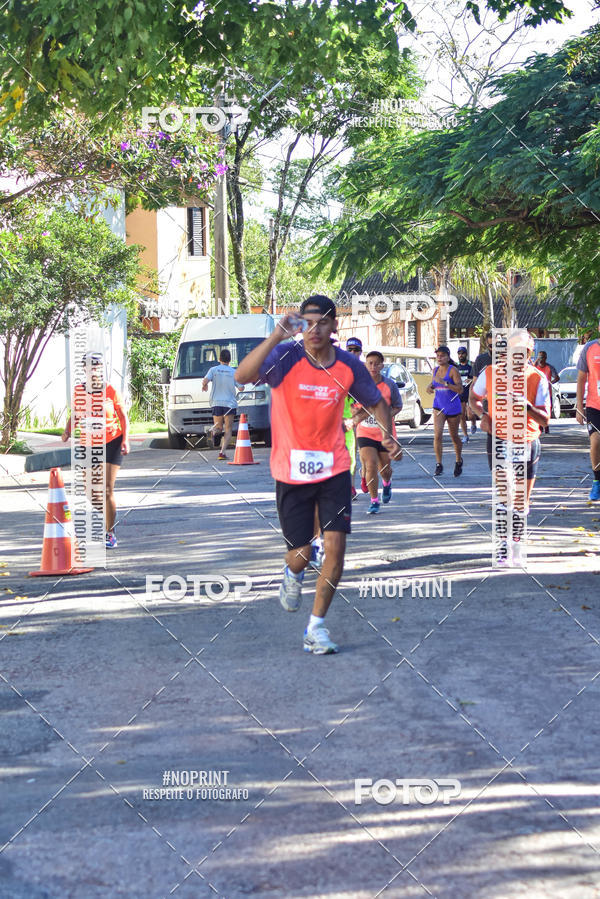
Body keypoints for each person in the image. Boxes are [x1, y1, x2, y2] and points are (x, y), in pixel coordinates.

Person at [235, 295, 402, 655]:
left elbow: (376, 402)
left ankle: (316, 627)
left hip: (334, 468)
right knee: (301, 555)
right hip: (290, 471)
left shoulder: (348, 366)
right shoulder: (285, 357)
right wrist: (276, 336)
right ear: (301, 325)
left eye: (323, 322)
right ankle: (292, 573)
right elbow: (242, 376)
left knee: (336, 548)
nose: (315, 329)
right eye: (308, 322)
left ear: (334, 327)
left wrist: (388, 436)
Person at [470, 334, 550, 564]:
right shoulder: (490, 372)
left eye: (523, 351)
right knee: (505, 493)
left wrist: (527, 408)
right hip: (499, 439)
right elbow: (474, 398)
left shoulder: (537, 378)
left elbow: (545, 420)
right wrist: (482, 415)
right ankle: (504, 545)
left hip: (527, 440)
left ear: (529, 354)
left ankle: (516, 541)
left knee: (521, 500)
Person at [61, 353, 130, 548]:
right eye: (89, 367)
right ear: (84, 369)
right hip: (88, 443)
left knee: (107, 489)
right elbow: (75, 413)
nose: (93, 371)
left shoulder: (110, 390)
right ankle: (109, 516)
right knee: (91, 492)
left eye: (97, 367)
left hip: (111, 441)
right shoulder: (78, 391)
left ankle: (109, 532)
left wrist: (126, 439)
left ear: (101, 369)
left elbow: (123, 417)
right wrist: (67, 430)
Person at [355, 351, 402, 514]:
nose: (373, 366)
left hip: (385, 433)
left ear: (382, 365)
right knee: (370, 465)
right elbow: (354, 406)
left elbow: (398, 406)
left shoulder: (389, 385)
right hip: (365, 432)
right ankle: (374, 501)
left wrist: (385, 415)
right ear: (365, 365)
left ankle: (387, 483)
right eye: (370, 363)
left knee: (385, 469)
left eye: (376, 363)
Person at [427, 346, 464, 477]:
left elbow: (460, 389)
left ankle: (458, 460)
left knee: (454, 436)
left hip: (453, 406)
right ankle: (438, 464)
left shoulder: (453, 370)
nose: (439, 358)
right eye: (438, 356)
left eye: (442, 355)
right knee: (437, 435)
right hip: (438, 406)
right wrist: (430, 386)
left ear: (448, 357)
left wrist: (445, 383)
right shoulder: (435, 370)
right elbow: (434, 383)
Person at [202, 349, 241, 461]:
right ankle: (222, 452)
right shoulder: (234, 372)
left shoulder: (213, 370)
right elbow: (241, 387)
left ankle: (212, 432)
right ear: (230, 360)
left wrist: (205, 385)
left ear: (219, 359)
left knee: (218, 427)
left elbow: (205, 380)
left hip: (216, 402)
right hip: (230, 404)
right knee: (228, 429)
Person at [576, 323, 600, 500]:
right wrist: (579, 405)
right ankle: (597, 481)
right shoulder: (590, 348)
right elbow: (581, 379)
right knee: (596, 441)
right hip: (594, 405)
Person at [345, 337, 364, 498]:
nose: (352, 353)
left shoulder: (364, 370)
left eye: (356, 350)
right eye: (349, 350)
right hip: (344, 417)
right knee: (349, 453)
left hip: (362, 417)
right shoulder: (339, 368)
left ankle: (365, 474)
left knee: (361, 454)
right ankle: (349, 487)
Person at [534, 350, 559, 434]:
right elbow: (529, 369)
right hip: (537, 393)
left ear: (546, 358)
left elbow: (557, 377)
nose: (541, 359)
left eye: (542, 357)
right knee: (538, 410)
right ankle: (540, 427)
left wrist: (551, 382)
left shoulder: (549, 367)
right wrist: (536, 361)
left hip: (547, 393)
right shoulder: (535, 367)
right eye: (539, 356)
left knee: (546, 410)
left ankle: (546, 426)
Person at [456, 346, 474, 441]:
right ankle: (465, 435)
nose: (461, 355)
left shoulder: (471, 365)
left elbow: (476, 377)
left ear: (466, 354)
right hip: (461, 393)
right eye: (459, 353)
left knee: (470, 414)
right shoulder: (456, 367)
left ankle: (473, 423)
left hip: (470, 393)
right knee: (461, 415)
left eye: (462, 353)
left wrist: (470, 380)